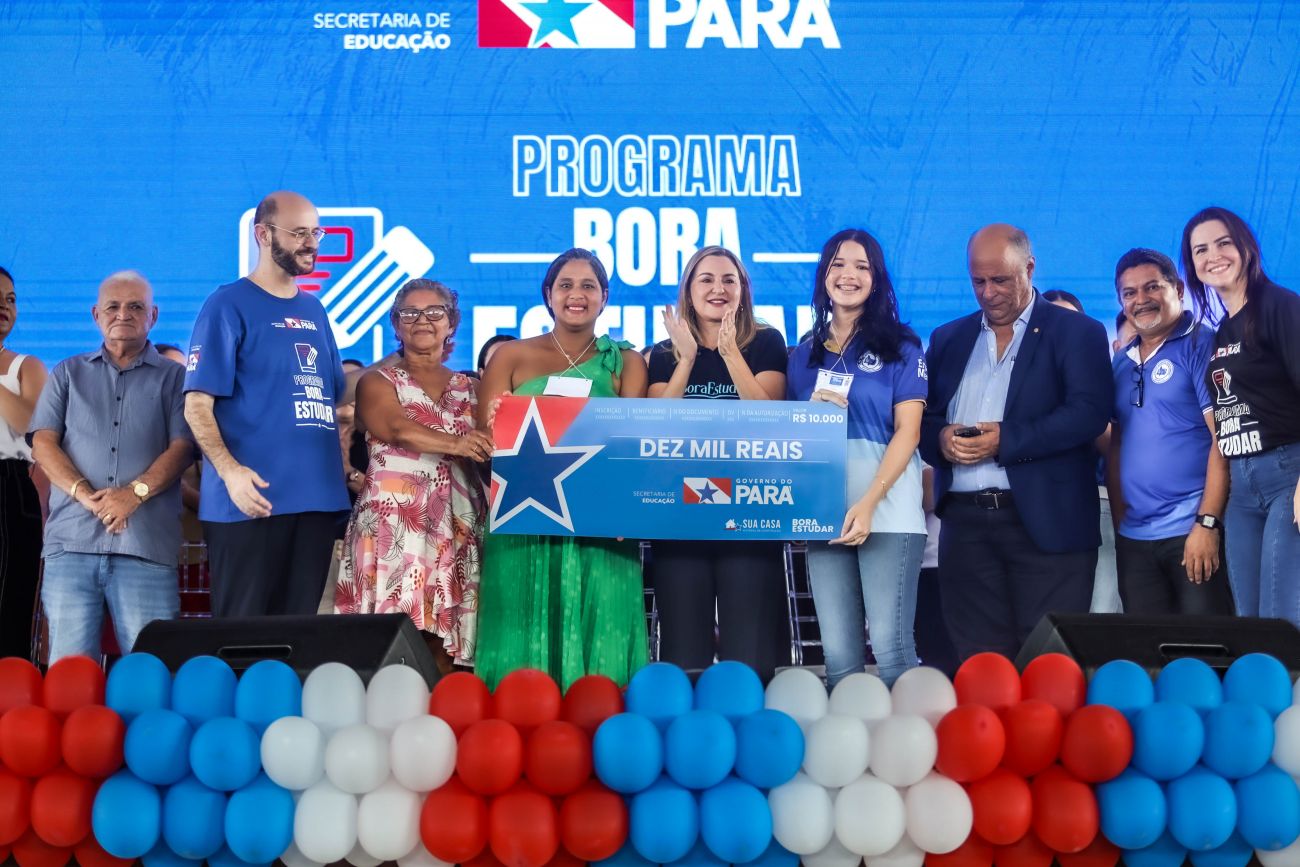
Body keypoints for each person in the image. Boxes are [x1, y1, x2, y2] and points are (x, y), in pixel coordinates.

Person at [920, 224, 1112, 660]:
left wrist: (1005, 440)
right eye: (978, 281)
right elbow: (924, 420)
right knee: (980, 667)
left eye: (1000, 280)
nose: (988, 293)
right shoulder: (947, 339)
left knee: (1049, 666)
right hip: (965, 530)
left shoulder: (1077, 332)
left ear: (1029, 268)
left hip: (1048, 527)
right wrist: (942, 440)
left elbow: (1088, 414)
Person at [476, 248, 649, 689]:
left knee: (603, 636)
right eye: (566, 285)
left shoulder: (627, 361)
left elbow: (631, 445)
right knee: (522, 635)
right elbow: (483, 443)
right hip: (524, 519)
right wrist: (496, 423)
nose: (577, 295)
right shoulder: (510, 356)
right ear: (548, 295)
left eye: (588, 286)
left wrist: (626, 511)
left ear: (604, 297)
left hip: (601, 525)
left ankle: (604, 721)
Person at [183, 191, 349, 617]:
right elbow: (196, 405)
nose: (311, 243)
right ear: (262, 234)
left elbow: (333, 396)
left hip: (317, 501)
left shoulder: (314, 309)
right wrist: (230, 473)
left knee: (298, 641)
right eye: (299, 233)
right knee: (243, 639)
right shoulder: (227, 304)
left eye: (316, 233)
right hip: (250, 502)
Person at [787, 229, 928, 687]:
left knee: (890, 647)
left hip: (887, 512)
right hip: (824, 515)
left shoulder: (902, 346)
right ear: (823, 275)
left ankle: (908, 737)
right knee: (840, 657)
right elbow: (791, 440)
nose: (848, 275)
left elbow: (908, 432)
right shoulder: (802, 354)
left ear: (877, 278)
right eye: (838, 265)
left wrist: (868, 503)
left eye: (862, 266)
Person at [28, 271, 191, 660]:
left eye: (135, 306)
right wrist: (87, 497)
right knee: (70, 673)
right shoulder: (67, 372)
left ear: (153, 315)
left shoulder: (176, 378)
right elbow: (43, 443)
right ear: (95, 314)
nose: (123, 314)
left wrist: (133, 495)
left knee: (149, 671)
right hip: (72, 545)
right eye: (113, 306)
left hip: (146, 547)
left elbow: (183, 447)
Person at [646, 246, 789, 681]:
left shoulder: (767, 342)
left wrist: (729, 353)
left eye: (729, 279)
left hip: (749, 515)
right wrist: (688, 358)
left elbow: (767, 419)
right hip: (679, 518)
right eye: (706, 279)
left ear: (743, 290)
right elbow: (655, 427)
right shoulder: (664, 353)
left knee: (751, 657)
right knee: (683, 655)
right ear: (688, 291)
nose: (718, 288)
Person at [335, 280, 491, 670]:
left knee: (446, 649)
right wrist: (460, 443)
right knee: (390, 642)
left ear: (452, 322)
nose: (423, 320)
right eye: (410, 312)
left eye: (435, 311)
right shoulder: (377, 381)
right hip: (393, 527)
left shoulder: (473, 388)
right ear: (396, 323)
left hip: (456, 526)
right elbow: (396, 428)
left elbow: (493, 452)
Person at [1182, 207, 1300, 622]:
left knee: (1282, 619)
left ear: (1246, 247)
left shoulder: (1282, 306)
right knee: (1251, 623)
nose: (1213, 256)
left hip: (1288, 475)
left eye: (1223, 243)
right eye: (1200, 250)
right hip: (1242, 490)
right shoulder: (1223, 332)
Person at [1107, 248, 1233, 615]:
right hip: (1134, 539)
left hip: (1192, 531)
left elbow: (1222, 440)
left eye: (1152, 287)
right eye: (1129, 293)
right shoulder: (1122, 361)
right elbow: (1117, 444)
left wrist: (1207, 523)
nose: (1141, 300)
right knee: (1147, 646)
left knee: (1203, 645)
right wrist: (1120, 522)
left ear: (1178, 289)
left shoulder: (1202, 344)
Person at [0, 267, 48, 659]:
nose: (5, 306)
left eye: (11, 299)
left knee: (8, 600)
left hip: (8, 487)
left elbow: (34, 429)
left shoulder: (26, 367)